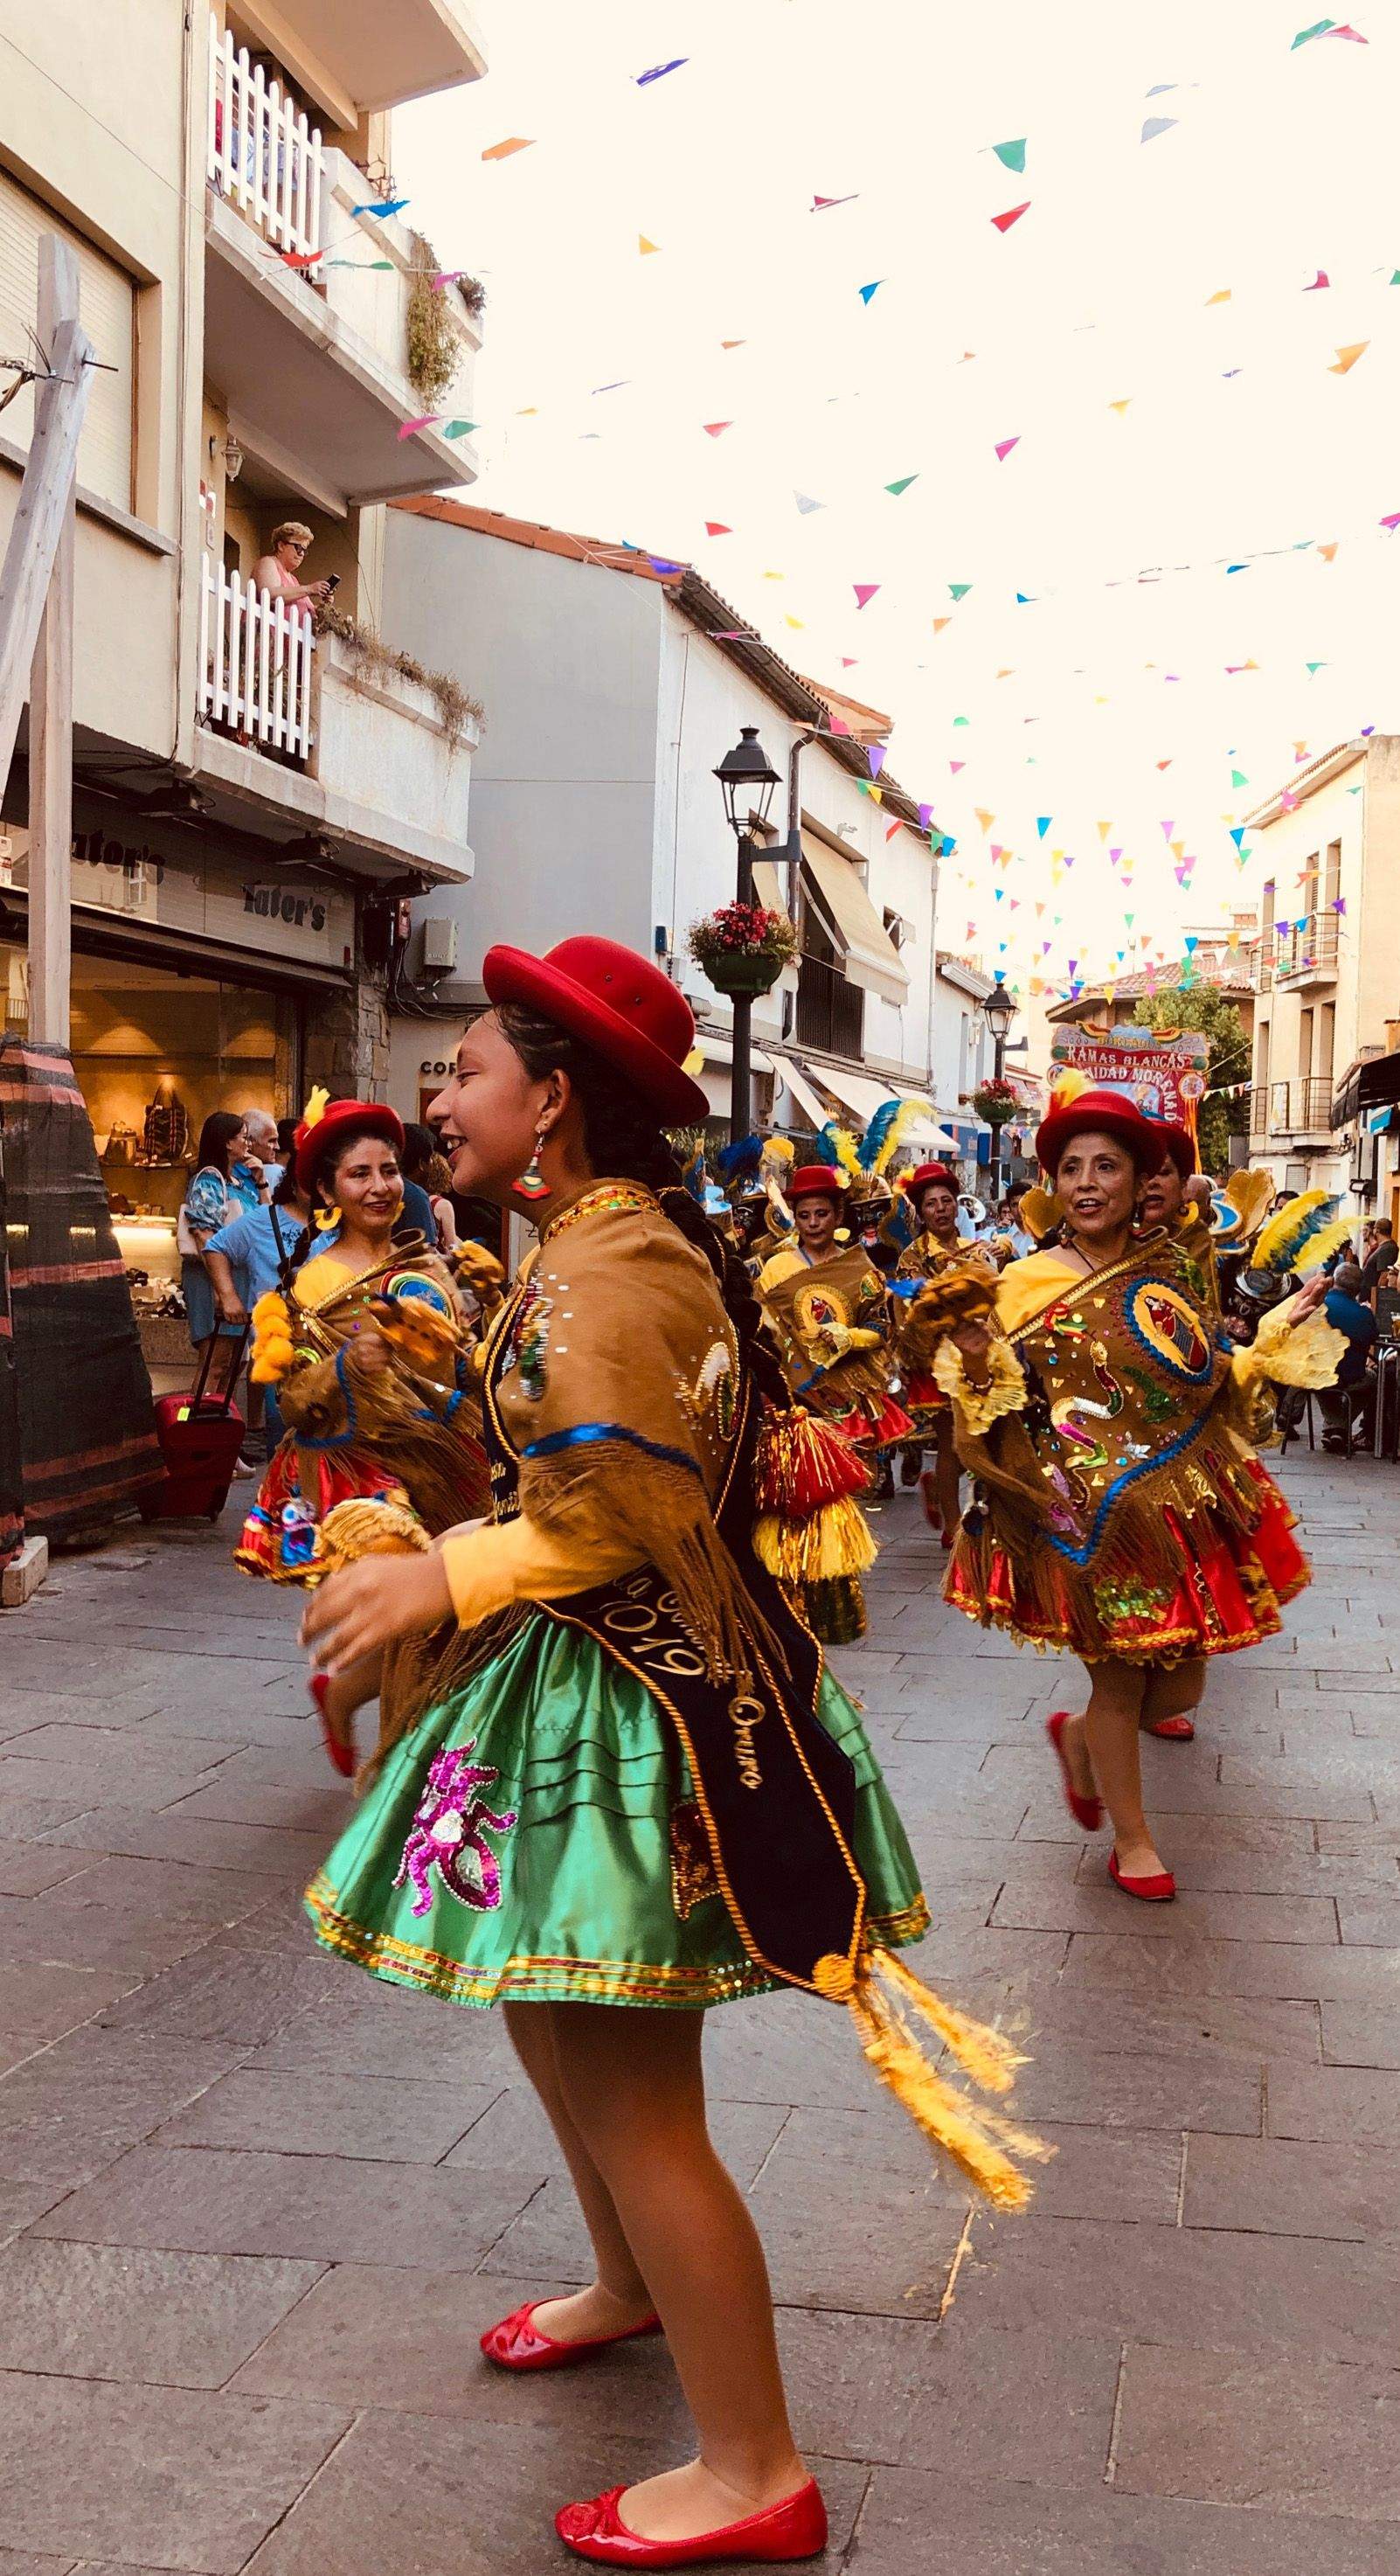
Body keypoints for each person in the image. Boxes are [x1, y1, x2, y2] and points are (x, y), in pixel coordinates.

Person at [297, 934, 1039, 2569]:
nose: (442, 1096)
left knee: (637, 2091)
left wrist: (448, 1568)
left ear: (551, 1101)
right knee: (553, 2023)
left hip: (638, 1711)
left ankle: (753, 2466)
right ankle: (629, 2284)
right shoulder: (588, 1245)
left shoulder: (606, 1268)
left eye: (469, 1070)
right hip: (589, 1680)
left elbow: (626, 1504)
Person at [922, 1088, 1340, 1903]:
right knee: (1118, 1680)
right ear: (1053, 1184)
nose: (1086, 1182)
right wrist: (975, 1357)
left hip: (1174, 1507)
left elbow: (1202, 1379)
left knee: (1179, 1684)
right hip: (1078, 1515)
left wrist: (1273, 1338)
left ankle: (1080, 1742)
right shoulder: (1016, 1283)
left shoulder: (1169, 1269)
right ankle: (1134, 1841)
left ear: (1135, 1179)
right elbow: (986, 1407)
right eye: (1071, 1167)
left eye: (1105, 1165)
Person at [234, 1097, 491, 1691]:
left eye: (389, 1170)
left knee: (455, 1623)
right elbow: (292, 1402)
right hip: (362, 1478)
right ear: (327, 1191)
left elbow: (460, 1366)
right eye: (360, 1173)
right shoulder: (311, 1287)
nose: (380, 1186)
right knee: (410, 1626)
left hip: (446, 1463)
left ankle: (352, 1699)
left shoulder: (427, 1264)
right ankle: (392, 1758)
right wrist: (346, 1366)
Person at [756, 1163, 912, 1545]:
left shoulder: (858, 1266)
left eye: (822, 1213)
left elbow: (881, 1327)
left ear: (839, 1215)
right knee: (801, 1489)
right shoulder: (777, 1267)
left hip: (848, 1394)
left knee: (845, 1491)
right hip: (793, 1393)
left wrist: (851, 1337)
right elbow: (760, 1324)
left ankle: (843, 1560)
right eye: (804, 1215)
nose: (813, 1223)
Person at [891, 1163, 995, 1538]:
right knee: (953, 1443)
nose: (940, 1209)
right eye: (931, 1204)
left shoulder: (977, 1250)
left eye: (946, 1201)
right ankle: (953, 1528)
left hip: (979, 1359)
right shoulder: (912, 1257)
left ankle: (941, 1491)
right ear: (921, 1212)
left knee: (981, 1439)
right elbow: (909, 1317)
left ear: (958, 1206)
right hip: (935, 1362)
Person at [204, 1166, 312, 1471]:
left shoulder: (340, 1221)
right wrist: (229, 1296)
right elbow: (216, 1248)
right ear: (292, 1181)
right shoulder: (263, 1221)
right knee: (281, 1433)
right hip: (277, 1341)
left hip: (330, 1340)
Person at [177, 1112, 248, 1406]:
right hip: (214, 1280)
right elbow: (205, 1235)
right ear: (226, 1143)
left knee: (233, 1365)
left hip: (238, 1280)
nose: (248, 1142)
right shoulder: (208, 1179)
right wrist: (224, 1291)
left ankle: (221, 1434)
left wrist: (261, 1183)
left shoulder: (240, 1180)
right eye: (243, 1136)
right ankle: (199, 1432)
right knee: (214, 1363)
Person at [1319, 1260, 1377, 1448]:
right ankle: (1340, 1429)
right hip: (1351, 1376)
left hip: (1317, 1374)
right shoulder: (1364, 1314)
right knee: (1372, 1378)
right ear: (1357, 1289)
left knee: (1321, 1377)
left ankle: (1334, 1429)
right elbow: (1372, 1338)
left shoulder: (1320, 1307)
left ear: (1334, 1281)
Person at [251, 519, 331, 617]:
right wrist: (309, 589)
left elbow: (307, 615)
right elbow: (269, 596)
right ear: (281, 546)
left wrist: (325, 605)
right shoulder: (268, 563)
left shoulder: (293, 580)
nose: (301, 554)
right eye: (299, 548)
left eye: (304, 551)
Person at [402, 1121, 459, 1252]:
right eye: (431, 1157)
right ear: (422, 1163)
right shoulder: (417, 1196)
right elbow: (427, 1255)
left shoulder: (387, 1190)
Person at [1360, 1219, 1399, 1308]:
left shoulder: (1387, 1248)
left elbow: (1384, 1275)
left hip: (1372, 1300)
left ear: (1377, 1230)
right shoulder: (1384, 1247)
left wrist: (1376, 1299)